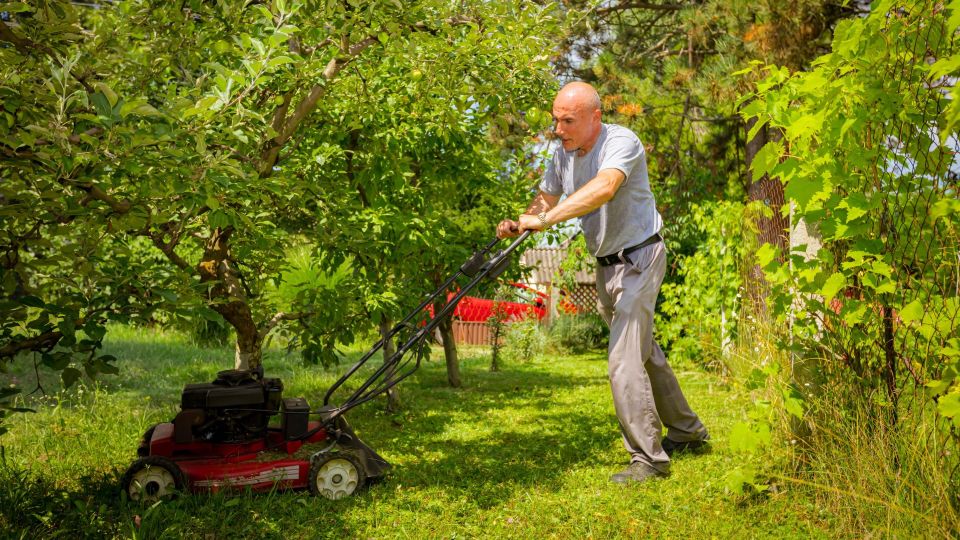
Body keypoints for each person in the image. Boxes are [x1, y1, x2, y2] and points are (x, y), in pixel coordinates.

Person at [497, 81, 708, 484]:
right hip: (606, 264)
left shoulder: (621, 141)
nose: (559, 129)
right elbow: (546, 199)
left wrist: (543, 221)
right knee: (644, 351)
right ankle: (687, 430)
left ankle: (648, 460)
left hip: (641, 256)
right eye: (555, 120)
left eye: (568, 120)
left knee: (623, 358)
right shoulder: (563, 154)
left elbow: (604, 188)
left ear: (595, 117)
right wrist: (521, 222)